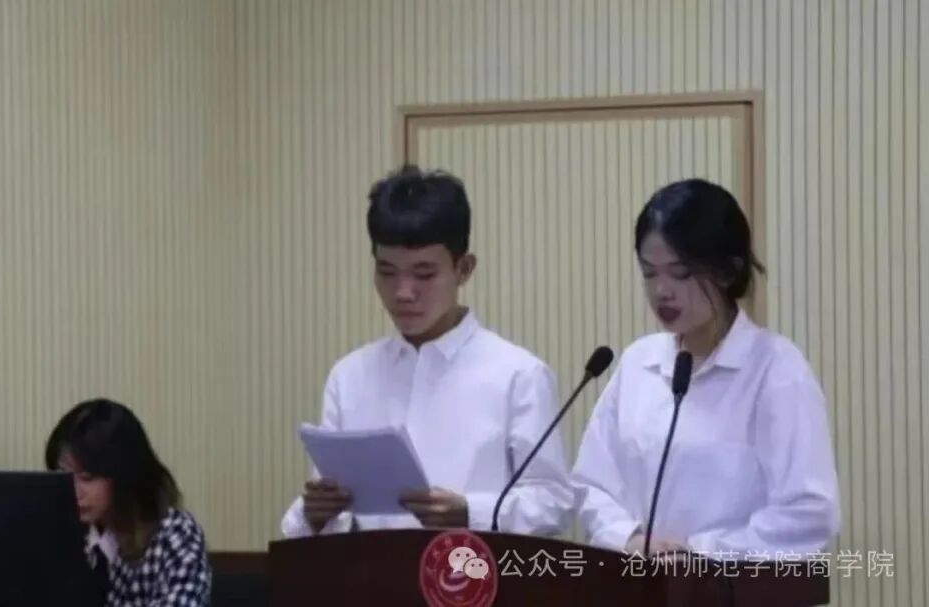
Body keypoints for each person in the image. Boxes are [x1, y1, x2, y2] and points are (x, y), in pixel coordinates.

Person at [280, 164, 575, 537]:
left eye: (424, 274)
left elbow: (552, 502)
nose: (403, 293)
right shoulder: (349, 376)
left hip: (477, 569)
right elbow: (331, 511)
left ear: (464, 268)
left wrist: (471, 513)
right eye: (387, 272)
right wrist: (316, 513)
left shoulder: (518, 375)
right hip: (369, 570)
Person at [570, 178, 841, 559]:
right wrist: (627, 538)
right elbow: (592, 483)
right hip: (638, 581)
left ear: (728, 271)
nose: (661, 291)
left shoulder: (776, 370)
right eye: (649, 273)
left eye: (680, 273)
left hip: (733, 584)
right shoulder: (637, 364)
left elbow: (809, 512)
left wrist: (698, 552)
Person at [45, 398, 212, 606]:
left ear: (123, 474)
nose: (75, 491)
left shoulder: (174, 534)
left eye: (87, 478)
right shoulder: (61, 532)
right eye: (64, 475)